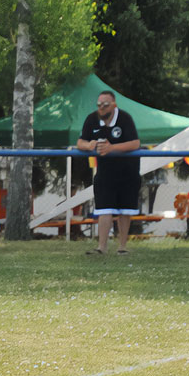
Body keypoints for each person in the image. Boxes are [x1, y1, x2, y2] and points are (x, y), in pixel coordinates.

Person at [77, 90, 141, 255]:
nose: (102, 108)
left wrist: (112, 148)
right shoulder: (92, 119)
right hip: (105, 172)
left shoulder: (125, 118)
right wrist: (88, 145)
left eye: (105, 104)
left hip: (128, 171)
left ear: (114, 105)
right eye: (99, 104)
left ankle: (122, 247)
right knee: (104, 209)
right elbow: (80, 142)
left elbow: (135, 143)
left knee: (125, 211)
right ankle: (101, 247)